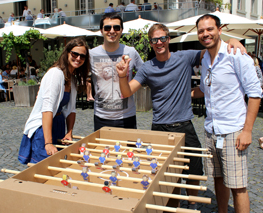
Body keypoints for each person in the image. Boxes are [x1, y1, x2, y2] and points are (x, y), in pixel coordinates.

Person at [116, 23, 245, 210]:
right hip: (160, 128)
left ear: (168, 39)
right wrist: (122, 76)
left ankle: (192, 205)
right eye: (154, 40)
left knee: (194, 170)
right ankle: (172, 206)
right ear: (151, 43)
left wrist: (230, 41)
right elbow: (127, 92)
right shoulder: (147, 68)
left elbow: (210, 49)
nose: (159, 42)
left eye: (162, 38)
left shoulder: (184, 57)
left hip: (184, 126)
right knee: (167, 175)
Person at [192, 14, 261, 213]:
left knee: (238, 186)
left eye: (210, 29)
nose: (206, 34)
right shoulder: (205, 58)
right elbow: (205, 90)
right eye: (201, 31)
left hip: (233, 130)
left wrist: (247, 131)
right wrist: (180, 94)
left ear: (220, 30)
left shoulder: (236, 54)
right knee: (218, 179)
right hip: (211, 130)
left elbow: (255, 94)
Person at [18, 38, 90, 164]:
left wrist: (69, 132)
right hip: (43, 127)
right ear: (67, 53)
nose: (78, 58)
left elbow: (71, 109)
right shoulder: (55, 74)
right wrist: (48, 143)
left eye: (82, 56)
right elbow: (47, 109)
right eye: (75, 54)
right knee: (43, 168)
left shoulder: (72, 79)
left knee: (57, 164)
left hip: (58, 123)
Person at [90, 12, 143, 131]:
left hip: (127, 117)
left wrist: (133, 86)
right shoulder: (91, 54)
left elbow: (144, 73)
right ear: (101, 30)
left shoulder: (131, 52)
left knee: (128, 150)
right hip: (101, 117)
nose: (112, 31)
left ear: (121, 30)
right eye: (107, 27)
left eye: (116, 27)